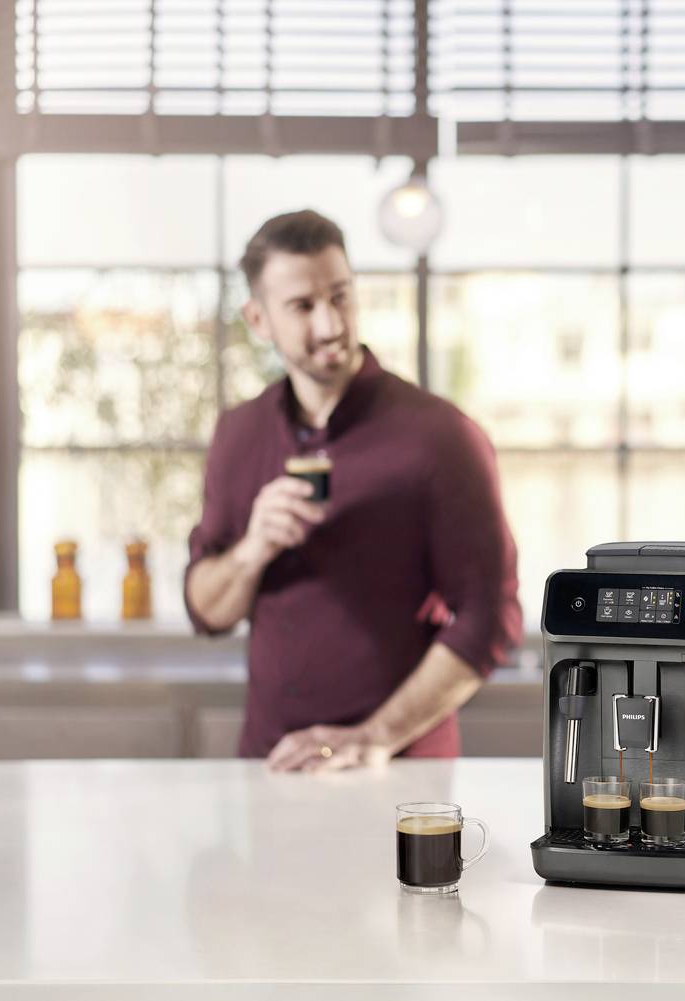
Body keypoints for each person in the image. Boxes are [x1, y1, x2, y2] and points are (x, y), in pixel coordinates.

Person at [184, 209, 521, 771]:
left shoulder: (442, 436)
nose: (330, 325)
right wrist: (253, 551)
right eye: (302, 306)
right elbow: (206, 612)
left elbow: (492, 617)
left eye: (340, 297)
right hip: (270, 771)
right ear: (258, 319)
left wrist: (376, 736)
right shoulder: (237, 433)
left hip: (400, 776)